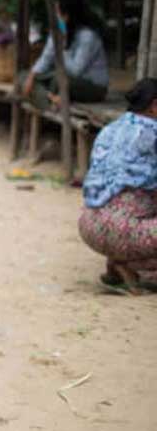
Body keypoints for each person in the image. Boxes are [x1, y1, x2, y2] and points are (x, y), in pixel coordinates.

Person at [78, 79, 157, 294]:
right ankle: (127, 266)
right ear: (154, 106)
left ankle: (117, 265)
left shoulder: (111, 129)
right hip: (119, 230)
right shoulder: (153, 133)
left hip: (88, 224)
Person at [22, 0, 109, 106]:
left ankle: (45, 99)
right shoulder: (58, 32)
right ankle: (51, 98)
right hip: (63, 79)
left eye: (58, 13)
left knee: (58, 80)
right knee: (23, 76)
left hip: (92, 86)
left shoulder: (88, 37)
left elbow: (76, 71)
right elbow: (46, 58)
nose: (56, 17)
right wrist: (31, 76)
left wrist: (62, 48)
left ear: (68, 16)